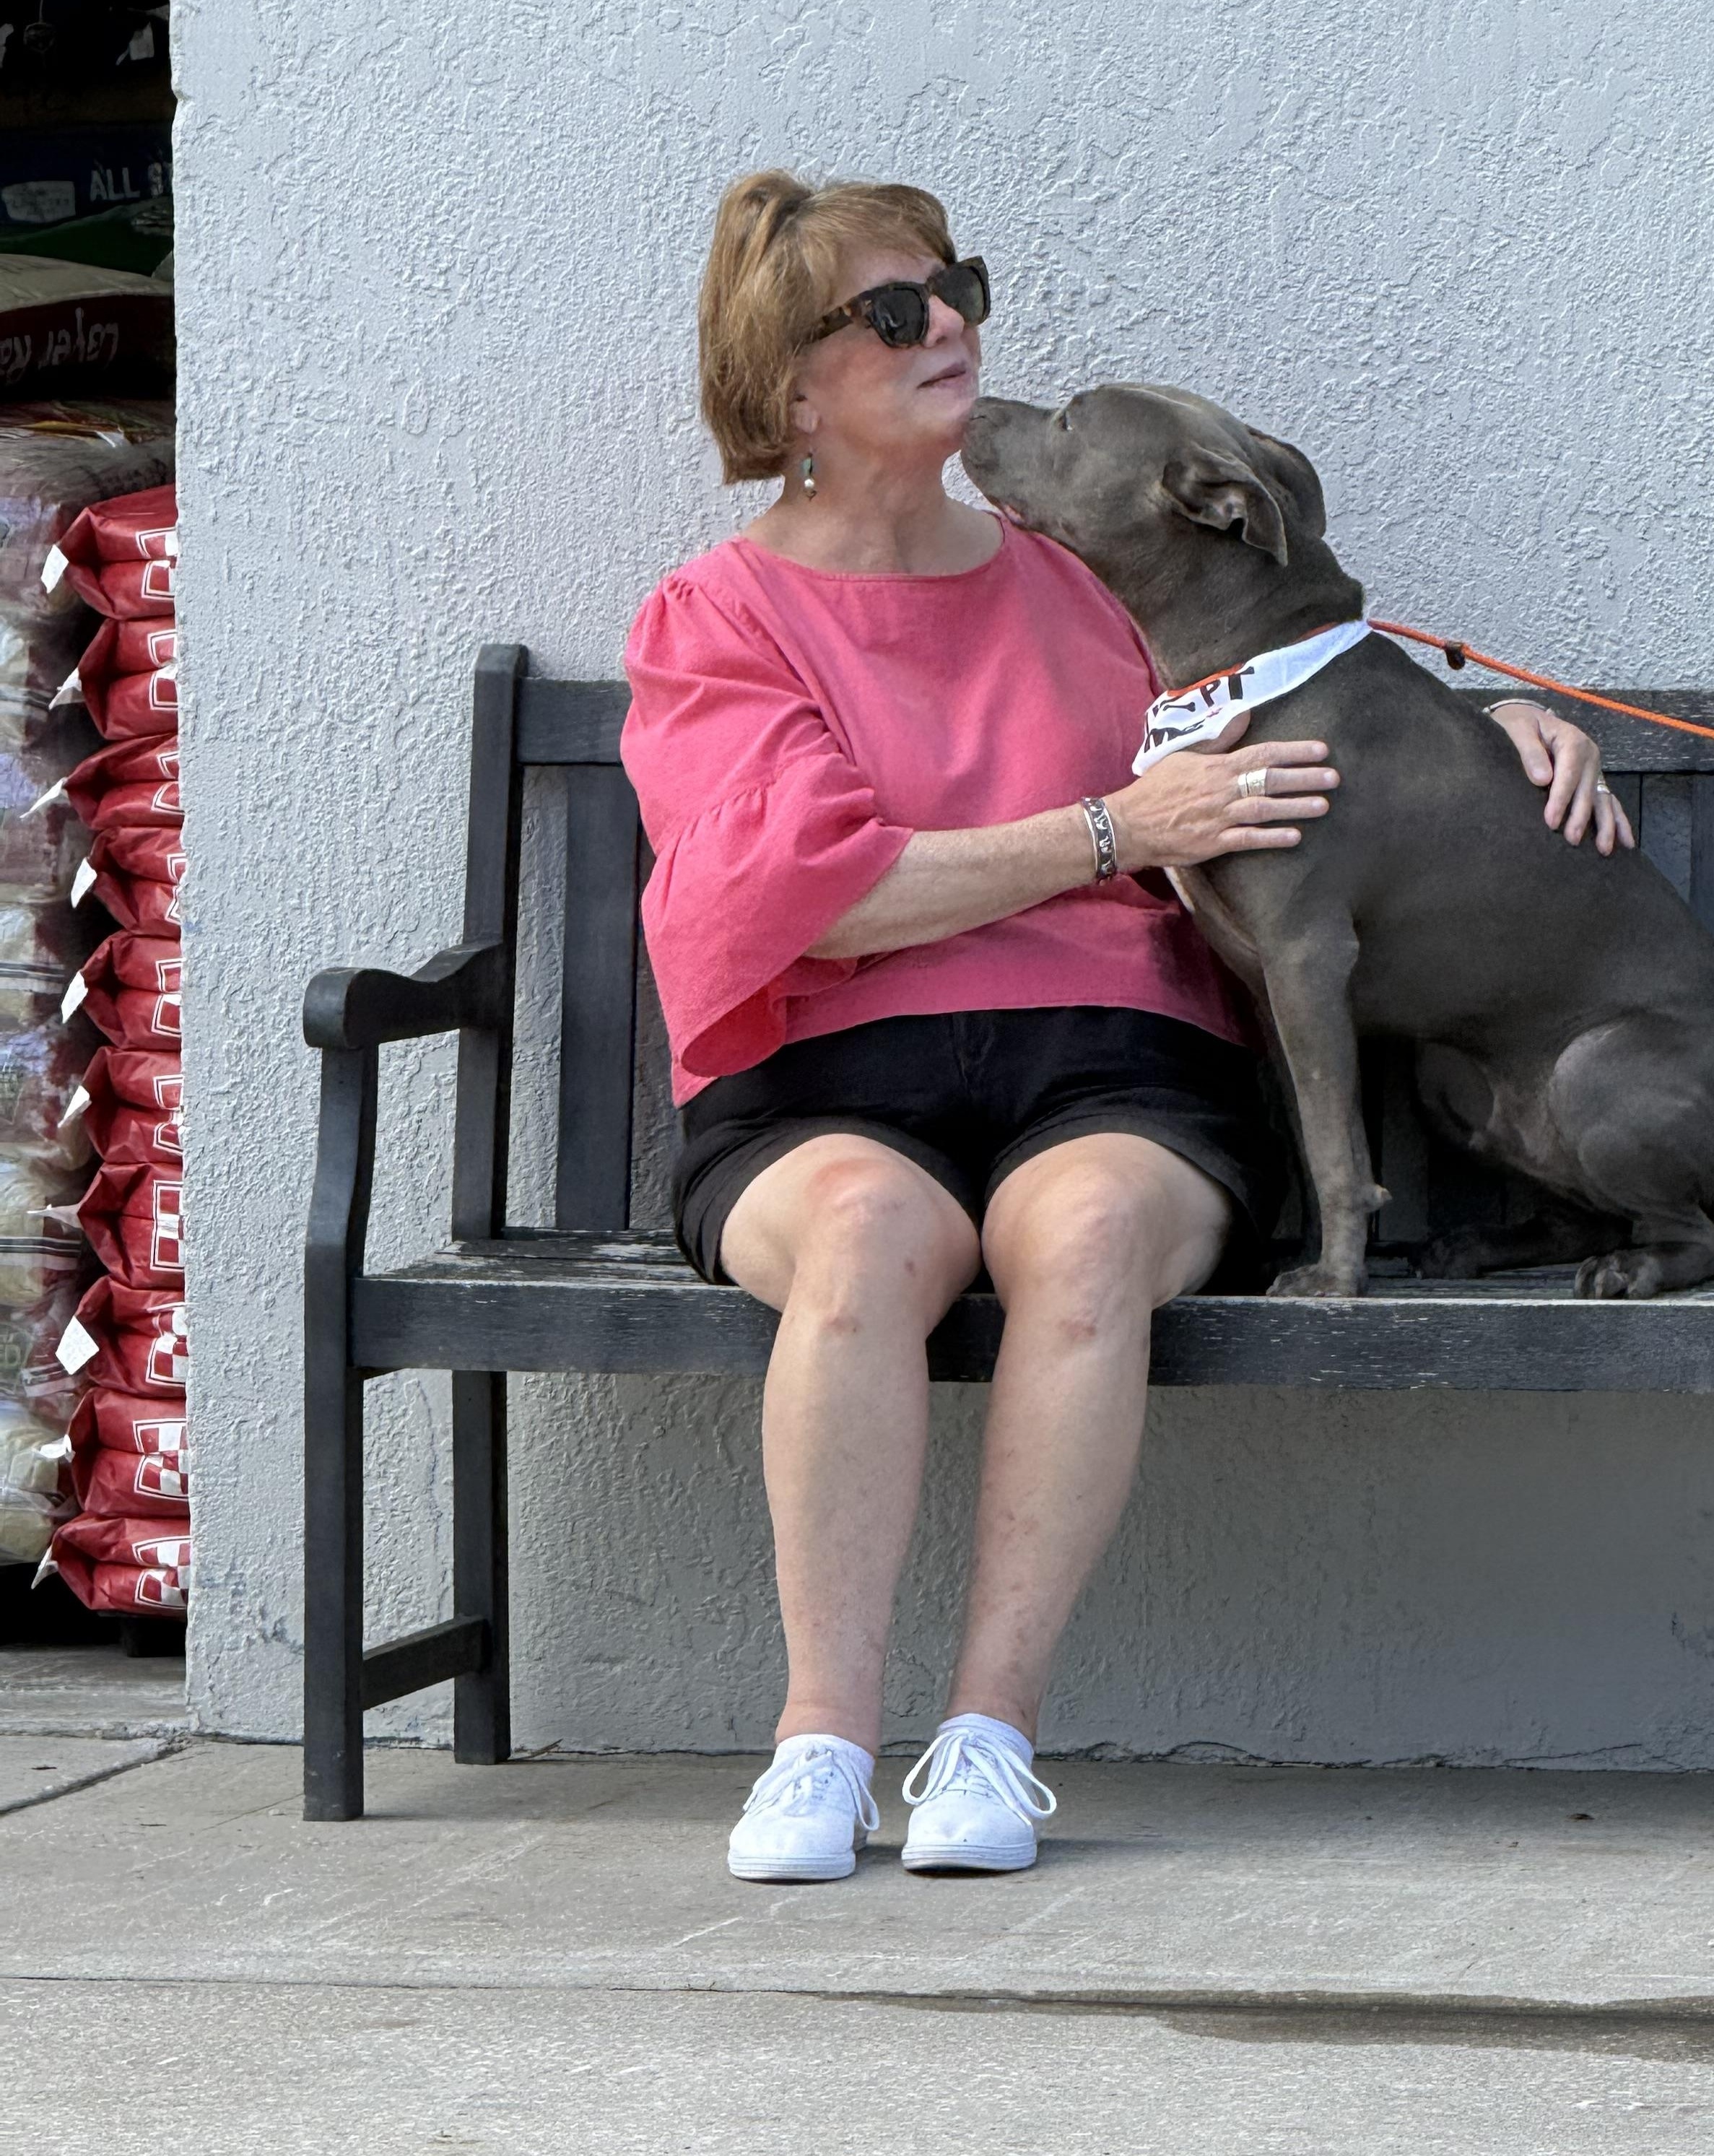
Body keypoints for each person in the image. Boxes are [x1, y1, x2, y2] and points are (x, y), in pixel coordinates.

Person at [620, 169, 1635, 1884]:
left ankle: (993, 1744)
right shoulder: (721, 617)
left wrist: (1503, 729)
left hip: (1113, 1060)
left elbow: (1302, 693)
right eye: (892, 310)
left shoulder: (1087, 576)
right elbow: (816, 898)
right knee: (869, 1237)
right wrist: (1110, 833)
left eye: (957, 288)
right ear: (786, 381)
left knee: (1085, 1235)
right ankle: (817, 1745)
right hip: (824, 1086)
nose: (950, 326)